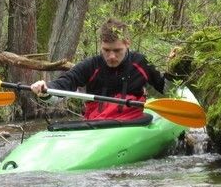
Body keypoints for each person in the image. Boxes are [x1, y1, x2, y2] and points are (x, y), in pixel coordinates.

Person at [30, 18, 166, 122]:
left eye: (117, 50)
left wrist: (174, 71)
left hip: (132, 122)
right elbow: (66, 82)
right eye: (106, 50)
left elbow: (166, 90)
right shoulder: (91, 65)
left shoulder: (141, 63)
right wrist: (45, 89)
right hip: (97, 123)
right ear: (101, 44)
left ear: (127, 43)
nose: (111, 56)